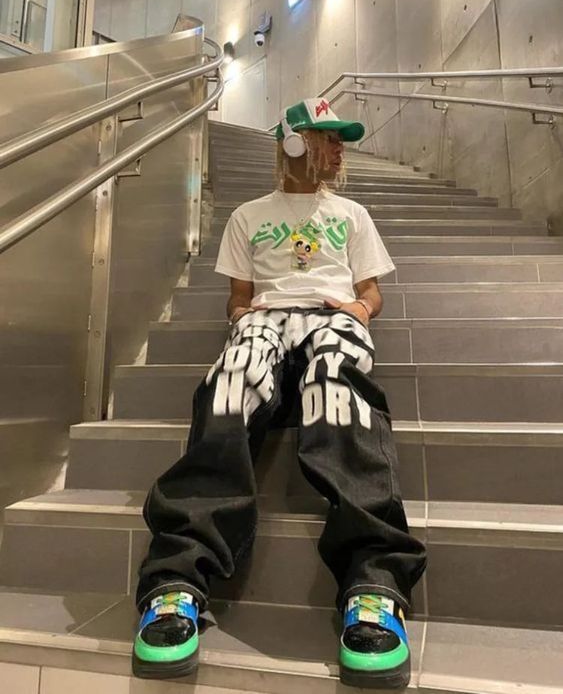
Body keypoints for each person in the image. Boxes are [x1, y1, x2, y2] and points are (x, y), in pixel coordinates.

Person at [132, 98, 427, 689]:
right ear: (294, 141)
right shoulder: (247, 215)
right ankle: (176, 579)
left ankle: (374, 582)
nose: (340, 149)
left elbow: (372, 292)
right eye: (328, 137)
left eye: (341, 140)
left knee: (336, 387)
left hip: (332, 317)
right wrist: (244, 318)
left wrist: (359, 309)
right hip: (266, 321)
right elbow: (238, 298)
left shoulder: (352, 213)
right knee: (229, 386)